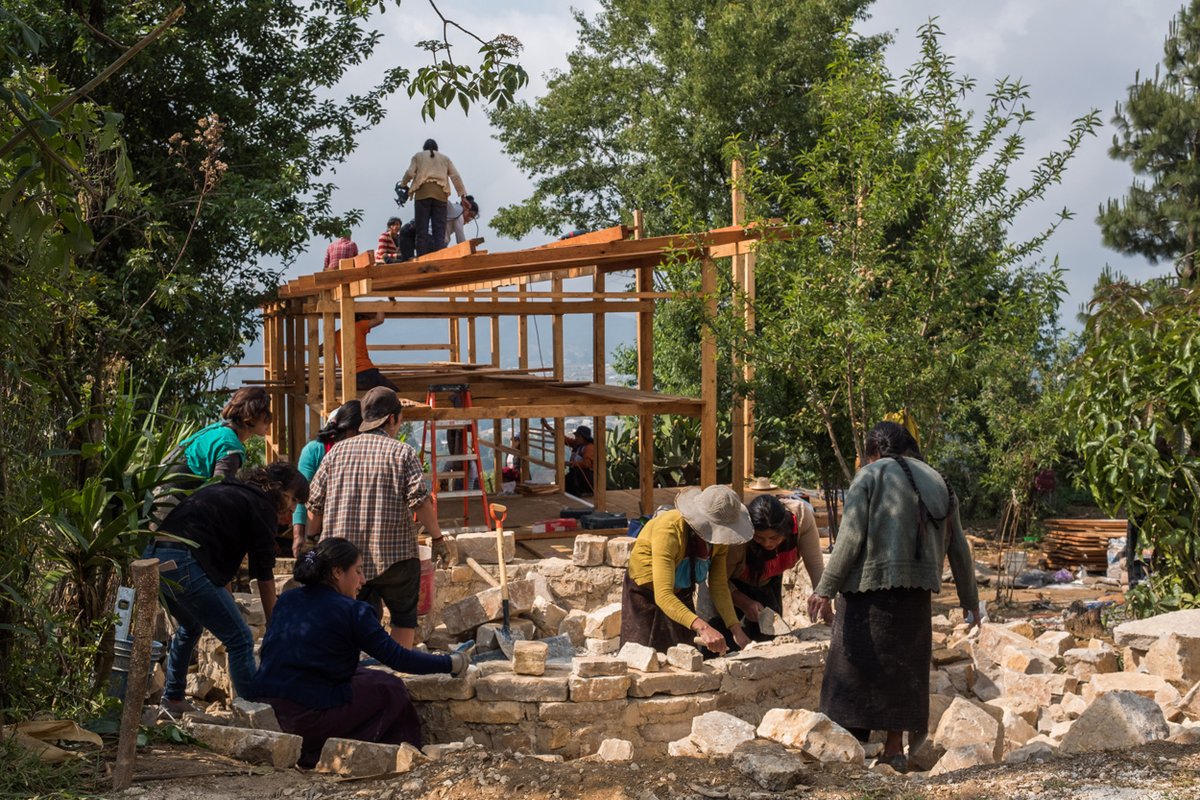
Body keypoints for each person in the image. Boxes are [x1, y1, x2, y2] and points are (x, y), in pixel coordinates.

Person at [808, 421, 979, 772]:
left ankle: (843, 749)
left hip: (866, 592)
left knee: (851, 668)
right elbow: (959, 547)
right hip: (916, 595)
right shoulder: (939, 481)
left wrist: (825, 589)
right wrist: (970, 601)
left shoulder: (870, 475)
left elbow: (850, 537)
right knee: (903, 673)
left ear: (873, 452)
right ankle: (893, 749)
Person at [249, 538, 470, 768]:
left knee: (364, 674)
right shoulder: (353, 611)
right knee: (391, 689)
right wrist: (452, 663)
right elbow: (398, 657)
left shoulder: (286, 599)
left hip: (267, 707)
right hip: (306, 720)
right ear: (337, 572)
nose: (363, 580)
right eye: (358, 571)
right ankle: (399, 756)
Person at [144, 462, 308, 714]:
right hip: (185, 560)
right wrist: (274, 624)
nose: (292, 509)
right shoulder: (262, 507)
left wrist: (228, 604)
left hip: (157, 557)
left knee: (190, 626)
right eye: (294, 500)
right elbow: (263, 573)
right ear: (280, 491)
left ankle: (174, 698)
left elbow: (220, 562)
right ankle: (253, 712)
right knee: (240, 639)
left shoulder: (231, 492)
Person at [306, 387, 457, 648]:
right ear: (392, 419)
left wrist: (310, 542)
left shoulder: (335, 454)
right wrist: (438, 538)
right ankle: (399, 673)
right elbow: (419, 501)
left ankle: (354, 675)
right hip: (394, 559)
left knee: (348, 621)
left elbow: (314, 506)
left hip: (344, 561)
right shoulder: (402, 453)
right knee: (403, 618)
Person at [620, 485, 753, 655]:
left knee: (685, 655)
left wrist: (736, 629)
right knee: (643, 657)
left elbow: (719, 585)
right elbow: (664, 595)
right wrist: (703, 627)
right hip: (646, 594)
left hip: (681, 592)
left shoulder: (719, 541)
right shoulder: (669, 530)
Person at [708, 494, 825, 647]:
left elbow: (815, 564)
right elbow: (718, 582)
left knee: (769, 642)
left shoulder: (801, 517)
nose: (768, 544)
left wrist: (823, 595)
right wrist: (744, 603)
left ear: (785, 529)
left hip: (768, 581)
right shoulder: (736, 537)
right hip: (729, 588)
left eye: (775, 537)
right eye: (759, 538)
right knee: (725, 645)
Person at [153, 387, 273, 525]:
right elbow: (219, 493)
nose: (270, 419)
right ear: (251, 415)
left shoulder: (218, 429)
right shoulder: (230, 445)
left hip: (157, 494)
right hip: (169, 504)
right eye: (266, 413)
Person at [291, 401, 363, 557]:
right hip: (321, 528)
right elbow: (302, 496)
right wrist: (300, 536)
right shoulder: (314, 451)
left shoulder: (361, 452)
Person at [397, 139, 467, 257]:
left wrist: (403, 184)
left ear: (424, 148)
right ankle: (438, 257)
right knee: (439, 231)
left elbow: (410, 173)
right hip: (441, 196)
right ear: (436, 149)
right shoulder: (445, 159)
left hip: (422, 195)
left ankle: (422, 258)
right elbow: (455, 176)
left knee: (421, 230)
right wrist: (462, 194)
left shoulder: (418, 156)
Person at [397, 195, 480, 262]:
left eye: (472, 218)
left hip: (416, 234)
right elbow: (460, 240)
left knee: (409, 262)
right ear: (465, 208)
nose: (469, 219)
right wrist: (470, 253)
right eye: (470, 215)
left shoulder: (450, 209)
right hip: (432, 241)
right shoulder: (459, 215)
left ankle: (407, 262)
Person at [333, 311, 398, 391]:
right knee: (394, 395)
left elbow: (321, 349)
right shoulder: (358, 325)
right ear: (361, 319)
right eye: (367, 319)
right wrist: (380, 305)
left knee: (364, 400)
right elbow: (380, 320)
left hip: (351, 377)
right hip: (366, 372)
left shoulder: (336, 334)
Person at [542, 420, 596, 496]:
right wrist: (547, 426)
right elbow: (561, 438)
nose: (576, 438)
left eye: (578, 436)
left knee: (571, 480)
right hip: (575, 473)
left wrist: (570, 463)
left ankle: (585, 491)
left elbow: (587, 464)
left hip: (585, 477)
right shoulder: (577, 444)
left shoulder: (589, 448)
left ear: (583, 437)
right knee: (565, 483)